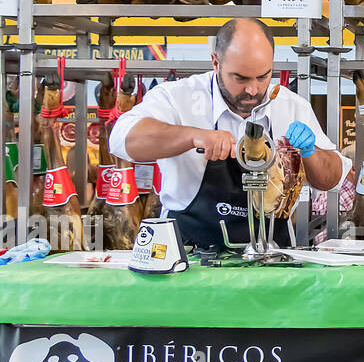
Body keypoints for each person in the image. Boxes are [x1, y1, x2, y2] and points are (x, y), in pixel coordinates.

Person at [110, 19, 348, 249]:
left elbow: (332, 179)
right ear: (216, 62)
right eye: (240, 78)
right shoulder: (177, 97)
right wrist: (192, 136)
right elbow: (122, 139)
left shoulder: (291, 106)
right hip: (189, 261)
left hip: (272, 262)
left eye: (263, 76)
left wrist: (310, 152)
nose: (252, 89)